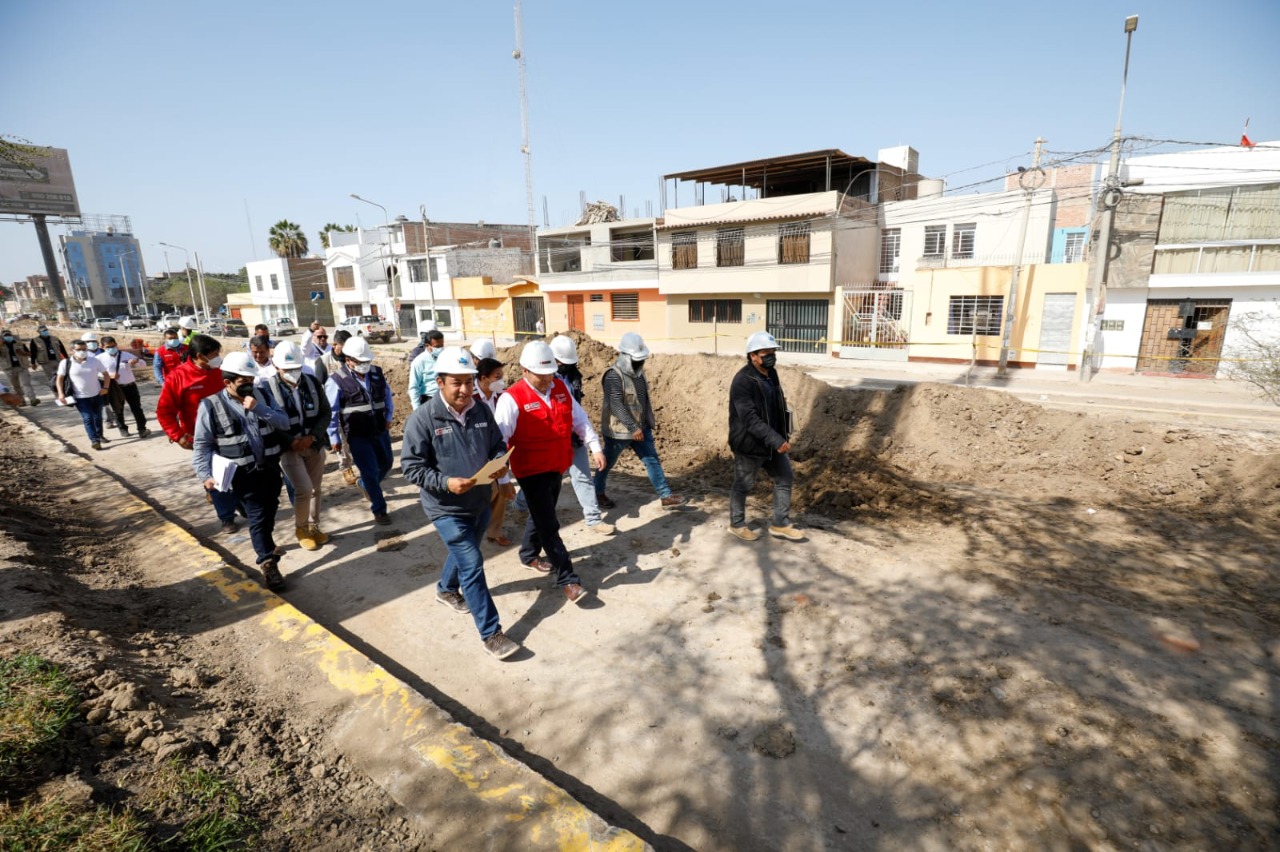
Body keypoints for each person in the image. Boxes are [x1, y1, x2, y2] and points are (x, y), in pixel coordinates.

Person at [401, 346, 521, 660]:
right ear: (440, 382)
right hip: (445, 508)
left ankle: (444, 589)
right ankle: (492, 634)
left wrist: (499, 463)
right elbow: (411, 467)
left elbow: (496, 445)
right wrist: (445, 483)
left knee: (466, 548)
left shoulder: (481, 411)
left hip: (480, 499)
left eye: (469, 381)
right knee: (472, 562)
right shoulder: (423, 419)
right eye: (457, 382)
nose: (466, 390)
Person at [494, 341, 602, 605]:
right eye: (540, 376)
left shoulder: (561, 388)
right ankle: (568, 578)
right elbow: (498, 442)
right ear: (524, 371)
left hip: (557, 466)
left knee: (542, 515)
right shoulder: (512, 398)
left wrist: (595, 446)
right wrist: (504, 479)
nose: (546, 380)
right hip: (530, 471)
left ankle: (528, 553)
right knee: (549, 525)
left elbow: (580, 419)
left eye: (550, 374)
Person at [192, 352, 290, 590]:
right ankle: (267, 562)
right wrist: (205, 475)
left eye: (251, 379)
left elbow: (284, 422)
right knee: (257, 515)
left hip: (269, 468)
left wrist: (260, 409)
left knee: (269, 509)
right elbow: (202, 444)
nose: (249, 384)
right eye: (243, 381)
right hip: (241, 475)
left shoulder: (263, 395)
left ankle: (265, 540)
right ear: (227, 383)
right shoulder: (210, 405)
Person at [156, 334, 243, 534]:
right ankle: (227, 517)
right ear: (199, 356)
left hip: (230, 432)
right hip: (202, 438)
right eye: (213, 355)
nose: (217, 358)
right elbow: (164, 411)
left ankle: (237, 503)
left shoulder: (220, 373)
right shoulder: (178, 377)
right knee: (217, 478)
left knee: (237, 473)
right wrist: (177, 435)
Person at [593, 332, 684, 510]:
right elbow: (616, 404)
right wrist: (633, 427)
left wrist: (645, 422)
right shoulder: (613, 376)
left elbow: (643, 401)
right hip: (619, 431)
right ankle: (597, 492)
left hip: (640, 429)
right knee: (607, 463)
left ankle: (665, 495)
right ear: (625, 356)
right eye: (637, 359)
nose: (640, 363)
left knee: (652, 460)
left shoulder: (639, 375)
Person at [728, 332, 803, 541]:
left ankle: (780, 523)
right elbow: (749, 419)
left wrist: (783, 433)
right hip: (749, 444)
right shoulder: (743, 381)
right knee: (743, 485)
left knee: (784, 478)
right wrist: (776, 439)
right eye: (766, 352)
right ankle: (736, 523)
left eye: (773, 351)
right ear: (753, 355)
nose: (771, 355)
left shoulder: (772, 374)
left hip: (772, 442)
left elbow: (777, 407)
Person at [258, 341, 331, 550]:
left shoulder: (312, 383)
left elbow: (325, 412)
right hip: (288, 448)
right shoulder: (266, 389)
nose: (293, 373)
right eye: (288, 369)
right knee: (303, 489)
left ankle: (314, 526)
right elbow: (268, 420)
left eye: (296, 368)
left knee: (316, 489)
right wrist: (291, 440)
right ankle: (301, 528)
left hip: (313, 444)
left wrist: (313, 437)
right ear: (276, 366)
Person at [325, 335, 395, 525]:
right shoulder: (337, 380)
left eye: (367, 360)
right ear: (348, 360)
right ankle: (379, 509)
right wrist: (333, 437)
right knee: (370, 470)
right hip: (357, 435)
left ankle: (364, 484)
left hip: (380, 429)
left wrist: (389, 417)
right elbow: (331, 412)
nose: (365, 364)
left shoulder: (376, 373)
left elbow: (387, 396)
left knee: (387, 463)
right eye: (360, 361)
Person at [550, 335, 614, 536]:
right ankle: (521, 505)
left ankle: (593, 519)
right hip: (553, 440)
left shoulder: (574, 377)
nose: (565, 366)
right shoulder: (545, 381)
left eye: (568, 363)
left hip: (574, 437)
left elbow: (577, 412)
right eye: (561, 362)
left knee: (583, 477)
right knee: (547, 481)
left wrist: (592, 444)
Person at [474, 357, 517, 546]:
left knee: (501, 490)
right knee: (485, 491)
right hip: (477, 450)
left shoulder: (502, 396)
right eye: (497, 377)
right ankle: (472, 526)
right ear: (484, 379)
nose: (502, 380)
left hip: (497, 448)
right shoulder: (471, 398)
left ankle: (495, 531)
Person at [55, 337, 112, 450]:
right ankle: (94, 440)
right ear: (72, 350)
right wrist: (61, 394)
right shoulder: (65, 363)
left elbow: (106, 374)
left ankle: (99, 435)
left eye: (84, 349)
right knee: (88, 418)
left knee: (98, 418)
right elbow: (60, 379)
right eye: (79, 349)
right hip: (80, 397)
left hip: (97, 394)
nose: (82, 351)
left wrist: (105, 387)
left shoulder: (94, 361)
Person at [97, 335, 150, 437]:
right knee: (118, 409)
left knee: (136, 408)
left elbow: (143, 364)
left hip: (130, 386)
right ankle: (123, 429)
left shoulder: (125, 355)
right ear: (102, 347)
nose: (111, 349)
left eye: (113, 346)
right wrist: (109, 376)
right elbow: (94, 373)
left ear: (116, 345)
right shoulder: (99, 359)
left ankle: (142, 429)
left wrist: (137, 362)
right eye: (108, 347)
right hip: (115, 388)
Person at [407, 329, 445, 408]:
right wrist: (417, 410)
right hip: (429, 401)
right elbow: (414, 387)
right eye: (437, 347)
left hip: (446, 398)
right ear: (427, 346)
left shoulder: (446, 357)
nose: (440, 349)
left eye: (442, 346)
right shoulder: (419, 362)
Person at [2, 327, 38, 407]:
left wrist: (23, 353)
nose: (8, 337)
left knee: (26, 383)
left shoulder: (19, 343)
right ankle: (21, 401)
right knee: (16, 386)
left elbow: (29, 353)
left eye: (9, 335)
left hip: (22, 366)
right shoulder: (1, 346)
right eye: (6, 336)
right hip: (9, 369)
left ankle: (33, 399)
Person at [29, 324, 67, 391]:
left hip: (58, 360)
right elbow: (33, 352)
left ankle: (64, 390)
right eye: (43, 331)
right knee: (52, 378)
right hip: (46, 362)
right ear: (39, 332)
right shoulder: (35, 341)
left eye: (46, 330)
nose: (45, 331)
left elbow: (62, 349)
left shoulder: (55, 338)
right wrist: (33, 363)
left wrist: (67, 359)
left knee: (62, 376)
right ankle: (56, 392)